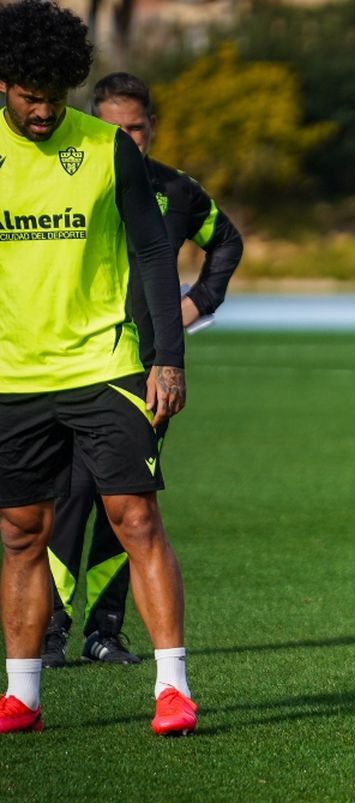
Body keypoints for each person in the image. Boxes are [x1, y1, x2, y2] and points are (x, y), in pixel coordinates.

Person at [0, 0, 196, 735]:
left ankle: (170, 687)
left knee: (135, 517)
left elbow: (152, 251)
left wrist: (164, 360)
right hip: (12, 376)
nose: (43, 110)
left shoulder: (107, 148)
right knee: (22, 532)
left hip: (104, 364)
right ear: (3, 84)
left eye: (54, 94)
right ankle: (22, 694)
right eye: (28, 96)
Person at [41, 71, 243, 668]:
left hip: (143, 371)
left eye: (134, 128)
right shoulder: (68, 183)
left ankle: (105, 632)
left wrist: (196, 305)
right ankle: (49, 632)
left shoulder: (176, 191)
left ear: (151, 127)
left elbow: (225, 241)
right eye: (112, 128)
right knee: (64, 494)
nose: (125, 139)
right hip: (72, 365)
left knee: (125, 506)